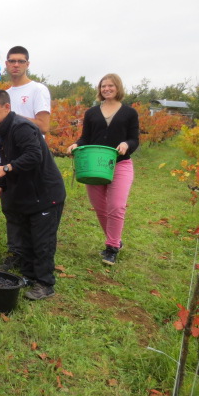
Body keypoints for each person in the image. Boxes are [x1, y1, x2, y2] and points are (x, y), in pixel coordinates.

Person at [0, 90, 65, 300]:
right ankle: (28, 276)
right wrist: (1, 184)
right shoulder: (3, 130)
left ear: (7, 107)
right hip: (28, 192)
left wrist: (7, 169)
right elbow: (8, 156)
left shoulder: (21, 127)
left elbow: (34, 155)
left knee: (42, 241)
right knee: (26, 236)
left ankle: (45, 284)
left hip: (45, 193)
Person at [67, 74, 139, 265]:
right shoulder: (91, 113)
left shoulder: (129, 113)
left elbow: (134, 139)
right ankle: (115, 239)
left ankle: (112, 247)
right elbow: (86, 139)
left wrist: (126, 144)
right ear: (100, 89)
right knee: (100, 207)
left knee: (116, 206)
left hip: (120, 164)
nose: (107, 89)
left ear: (118, 88)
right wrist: (76, 145)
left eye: (110, 86)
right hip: (94, 165)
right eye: (103, 86)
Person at [0, 46, 52, 271]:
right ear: (7, 64)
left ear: (28, 64)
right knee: (11, 208)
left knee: (30, 209)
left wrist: (11, 118)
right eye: (12, 61)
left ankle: (31, 259)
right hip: (6, 157)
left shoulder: (38, 90)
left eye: (20, 61)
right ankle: (16, 254)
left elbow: (43, 125)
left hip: (29, 159)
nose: (16, 65)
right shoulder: (5, 93)